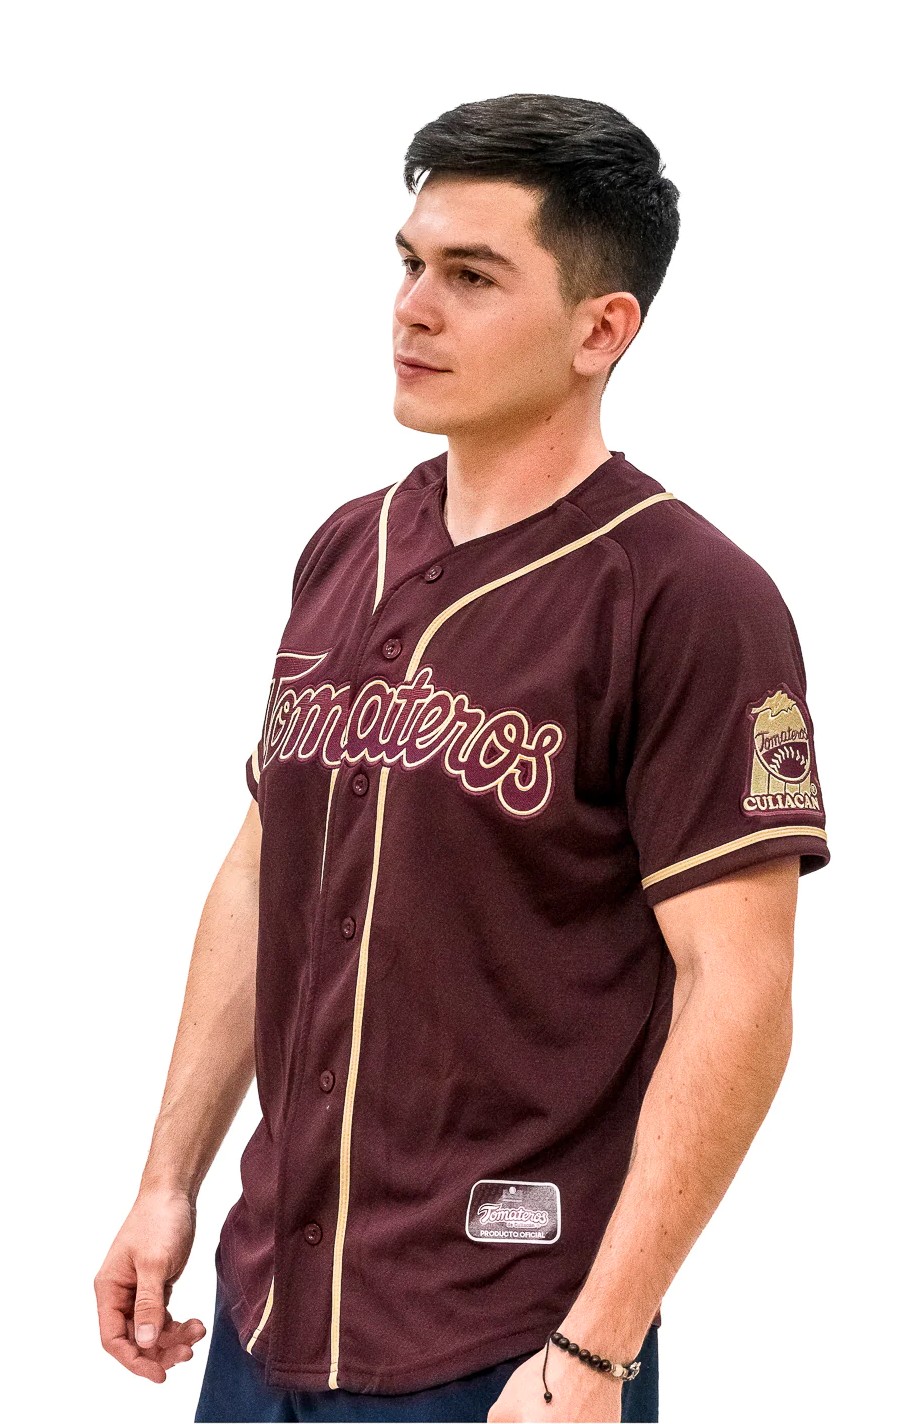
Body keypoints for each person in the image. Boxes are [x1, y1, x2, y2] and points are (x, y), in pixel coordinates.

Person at [94, 93, 831, 1424]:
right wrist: (168, 1182)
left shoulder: (687, 595)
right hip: (268, 1316)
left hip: (507, 1344)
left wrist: (599, 1349)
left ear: (602, 330)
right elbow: (264, 868)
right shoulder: (343, 547)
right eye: (409, 263)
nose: (413, 309)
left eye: (473, 276)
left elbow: (740, 991)